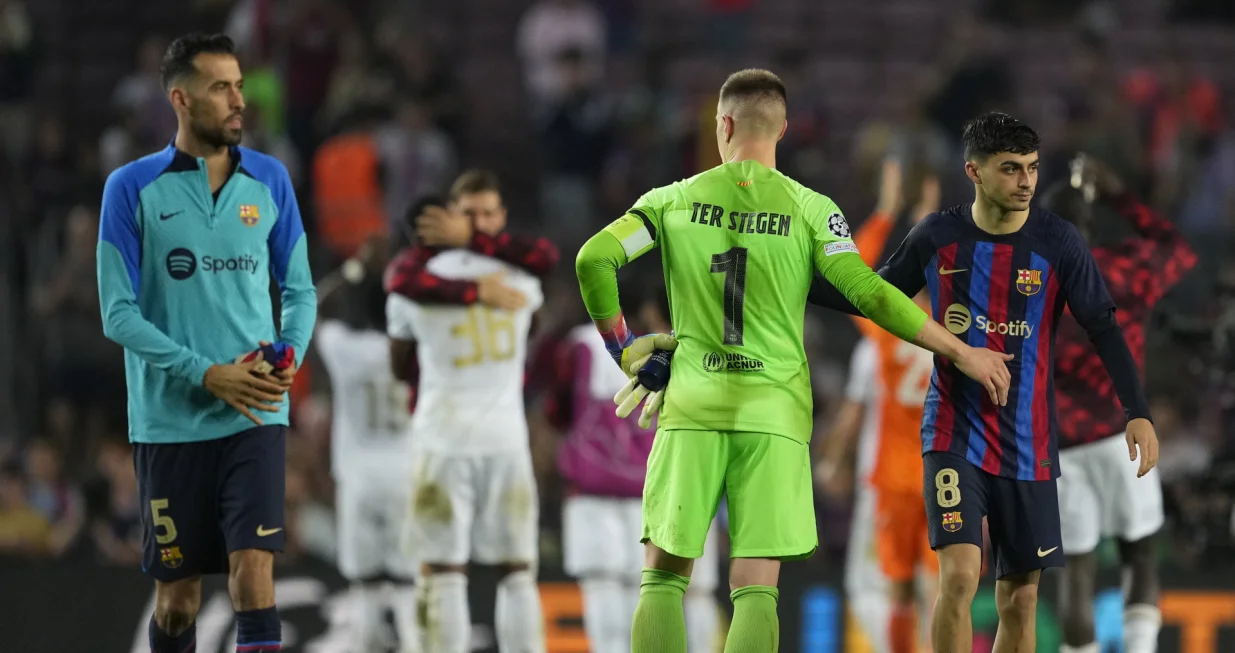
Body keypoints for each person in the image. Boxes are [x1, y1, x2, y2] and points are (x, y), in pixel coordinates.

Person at [573, 68, 1013, 653]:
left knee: (663, 578)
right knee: (755, 589)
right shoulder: (813, 211)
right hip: (775, 416)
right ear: (781, 129)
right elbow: (875, 295)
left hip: (693, 404)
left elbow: (592, 261)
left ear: (723, 125)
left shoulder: (670, 202)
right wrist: (961, 351)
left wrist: (623, 347)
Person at [809, 112, 1160, 653]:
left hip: (1029, 443)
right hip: (954, 433)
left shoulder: (1059, 243)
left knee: (1019, 600)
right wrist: (797, 282)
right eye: (1011, 169)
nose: (1026, 182)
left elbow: (1104, 327)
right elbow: (875, 295)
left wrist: (1136, 410)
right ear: (973, 171)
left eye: (1033, 169)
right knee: (957, 577)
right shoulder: (937, 236)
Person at [96, 32, 315, 653]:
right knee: (178, 601)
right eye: (221, 87)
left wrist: (289, 357)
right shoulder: (130, 188)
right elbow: (117, 314)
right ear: (182, 99)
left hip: (255, 413)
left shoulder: (271, 180)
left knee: (254, 576)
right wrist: (205, 372)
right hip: (169, 423)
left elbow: (299, 292)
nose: (237, 99)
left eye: (239, 85)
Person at [385, 171, 553, 653]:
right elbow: (533, 328)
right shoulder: (522, 278)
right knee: (519, 570)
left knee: (442, 572)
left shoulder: (417, 284)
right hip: (506, 437)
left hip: (442, 437)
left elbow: (400, 367)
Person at [1046, 154, 1197, 653]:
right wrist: (1118, 195)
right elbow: (1175, 249)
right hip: (1124, 435)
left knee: (1078, 570)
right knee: (1139, 554)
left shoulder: (1029, 292)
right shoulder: (1123, 269)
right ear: (1090, 222)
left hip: (1061, 446)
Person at [548, 283, 722, 653]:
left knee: (605, 586)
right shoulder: (692, 351)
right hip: (669, 487)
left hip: (594, 490)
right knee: (688, 592)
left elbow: (556, 410)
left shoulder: (581, 345)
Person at [821, 161, 942, 653]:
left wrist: (889, 209)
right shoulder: (958, 331)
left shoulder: (887, 331)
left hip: (892, 475)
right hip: (945, 474)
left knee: (893, 587)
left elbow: (854, 278)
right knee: (939, 587)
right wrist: (935, 221)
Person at [314, 234, 419, 653]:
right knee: (410, 581)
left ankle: (369, 643)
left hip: (358, 475)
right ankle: (414, 644)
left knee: (366, 582)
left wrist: (354, 269)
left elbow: (314, 308)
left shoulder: (347, 348)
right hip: (406, 473)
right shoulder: (417, 350)